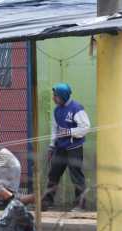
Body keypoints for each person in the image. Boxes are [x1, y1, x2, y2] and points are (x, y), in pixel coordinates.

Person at [41, 83, 91, 211]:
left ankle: (80, 204)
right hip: (60, 147)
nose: (53, 98)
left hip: (74, 148)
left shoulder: (76, 108)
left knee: (76, 176)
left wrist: (69, 132)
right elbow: (54, 129)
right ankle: (47, 202)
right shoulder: (56, 110)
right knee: (53, 174)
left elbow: (85, 128)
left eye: (55, 96)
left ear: (63, 96)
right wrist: (52, 146)